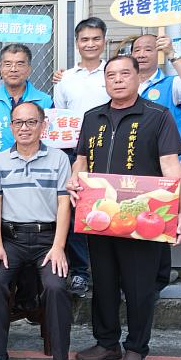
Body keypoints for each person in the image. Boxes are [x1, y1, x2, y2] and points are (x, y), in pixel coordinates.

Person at [67, 55, 181, 360]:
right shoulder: (93, 117)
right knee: (103, 282)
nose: (117, 80)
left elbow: (172, 167)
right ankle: (107, 342)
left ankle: (136, 348)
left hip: (143, 216)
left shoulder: (157, 116)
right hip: (100, 213)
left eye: (124, 73)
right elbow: (80, 160)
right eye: (111, 75)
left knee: (139, 286)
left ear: (137, 78)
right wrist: (74, 178)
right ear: (104, 81)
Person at [0, 101, 74, 360]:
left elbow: (63, 204)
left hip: (48, 240)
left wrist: (59, 247)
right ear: (11, 127)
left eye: (31, 122)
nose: (24, 128)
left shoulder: (59, 159)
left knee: (57, 286)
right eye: (18, 123)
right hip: (12, 240)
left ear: (43, 125)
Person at [52, 17, 111, 298]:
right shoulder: (66, 79)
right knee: (76, 211)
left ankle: (110, 272)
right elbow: (60, 116)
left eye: (95, 38)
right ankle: (79, 272)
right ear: (77, 43)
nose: (90, 44)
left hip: (110, 150)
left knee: (109, 209)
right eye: (84, 39)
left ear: (104, 41)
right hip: (74, 151)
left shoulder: (112, 74)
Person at [0, 43, 53, 175]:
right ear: (0, 68)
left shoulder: (45, 102)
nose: (13, 69)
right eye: (8, 64)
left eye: (20, 64)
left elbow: (52, 143)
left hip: (38, 175)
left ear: (29, 69)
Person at [132, 33, 181, 140]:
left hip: (164, 155)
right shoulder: (124, 85)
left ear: (160, 53)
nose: (141, 55)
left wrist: (171, 53)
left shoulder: (172, 84)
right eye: (137, 50)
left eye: (148, 50)